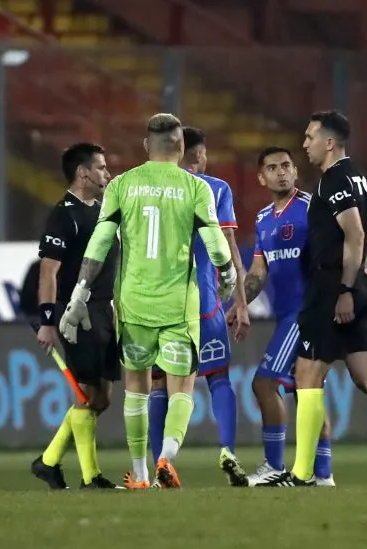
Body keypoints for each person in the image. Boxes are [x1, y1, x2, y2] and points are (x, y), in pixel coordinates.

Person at [58, 113, 238, 489]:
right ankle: (166, 459)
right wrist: (227, 275)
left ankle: (139, 473)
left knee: (136, 388)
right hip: (177, 306)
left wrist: (79, 293)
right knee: (182, 387)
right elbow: (215, 243)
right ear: (182, 147)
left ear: (146, 147)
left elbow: (101, 242)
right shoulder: (195, 188)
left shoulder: (122, 185)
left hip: (134, 304)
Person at [258, 110, 367, 486]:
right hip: (355, 281)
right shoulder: (358, 177)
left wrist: (345, 289)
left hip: (333, 286)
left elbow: (354, 234)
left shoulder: (334, 178)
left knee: (307, 374)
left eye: (309, 137)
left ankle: (303, 474)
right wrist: (358, 280)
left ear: (329, 142)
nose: (304, 144)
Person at [134, 126, 250, 489]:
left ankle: (157, 466)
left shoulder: (145, 187)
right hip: (205, 303)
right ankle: (228, 450)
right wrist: (241, 301)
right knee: (217, 379)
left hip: (157, 303)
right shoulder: (214, 189)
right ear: (196, 154)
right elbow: (229, 248)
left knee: (156, 386)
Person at [241, 146, 334, 486]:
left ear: (295, 171)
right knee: (307, 392)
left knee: (263, 383)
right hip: (285, 315)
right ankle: (323, 475)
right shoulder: (263, 218)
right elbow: (258, 271)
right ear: (261, 177)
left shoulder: (311, 209)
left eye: (285, 166)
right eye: (272, 167)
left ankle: (275, 466)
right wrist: (239, 304)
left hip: (304, 314)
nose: (280, 172)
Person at [31, 142, 120, 489]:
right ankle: (90, 476)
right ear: (83, 173)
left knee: (102, 397)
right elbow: (48, 273)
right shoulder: (63, 215)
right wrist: (48, 321)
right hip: (77, 313)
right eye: (101, 168)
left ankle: (49, 461)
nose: (107, 174)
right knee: (86, 395)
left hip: (104, 310)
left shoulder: (100, 210)